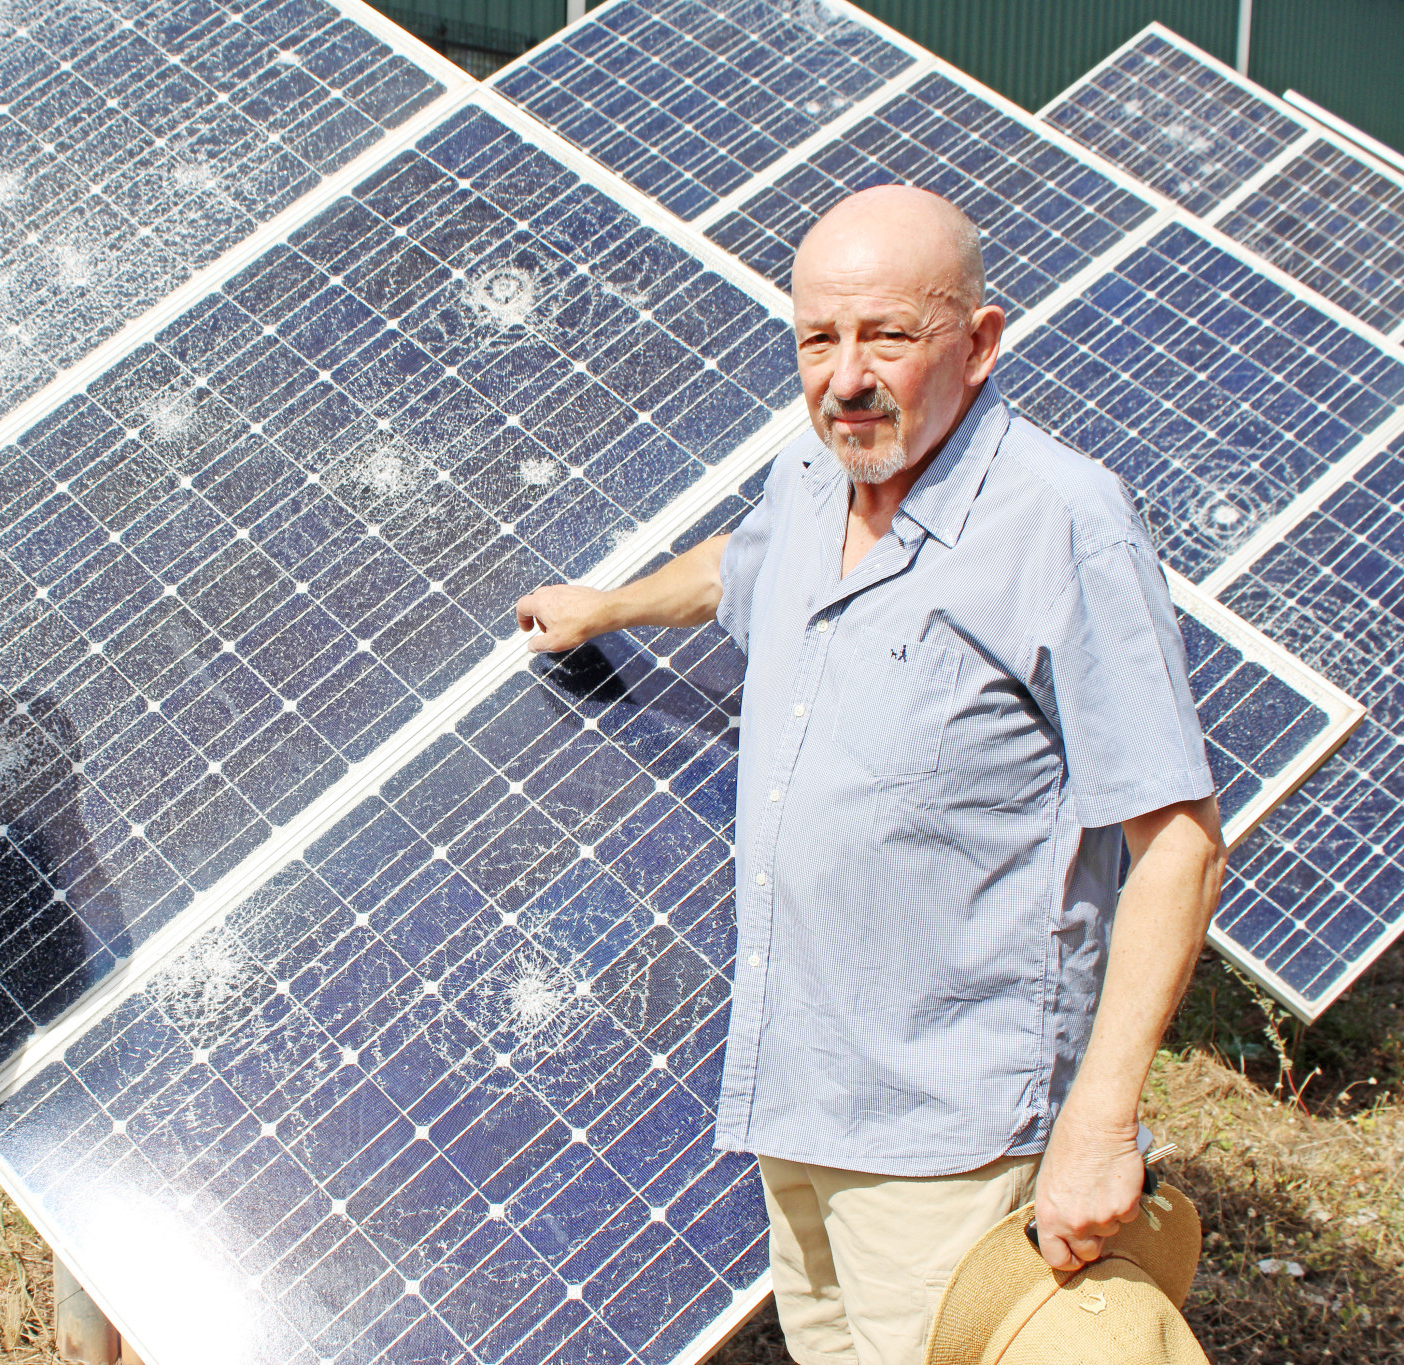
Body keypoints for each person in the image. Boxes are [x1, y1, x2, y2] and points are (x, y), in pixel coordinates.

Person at [515, 187, 1227, 1365]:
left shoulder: (1061, 524)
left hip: (949, 1131)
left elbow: (1178, 848)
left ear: (980, 341)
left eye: (887, 336)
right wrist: (611, 605)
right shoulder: (812, 475)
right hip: (796, 1087)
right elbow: (735, 566)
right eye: (816, 337)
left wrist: (1098, 1130)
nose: (845, 375)